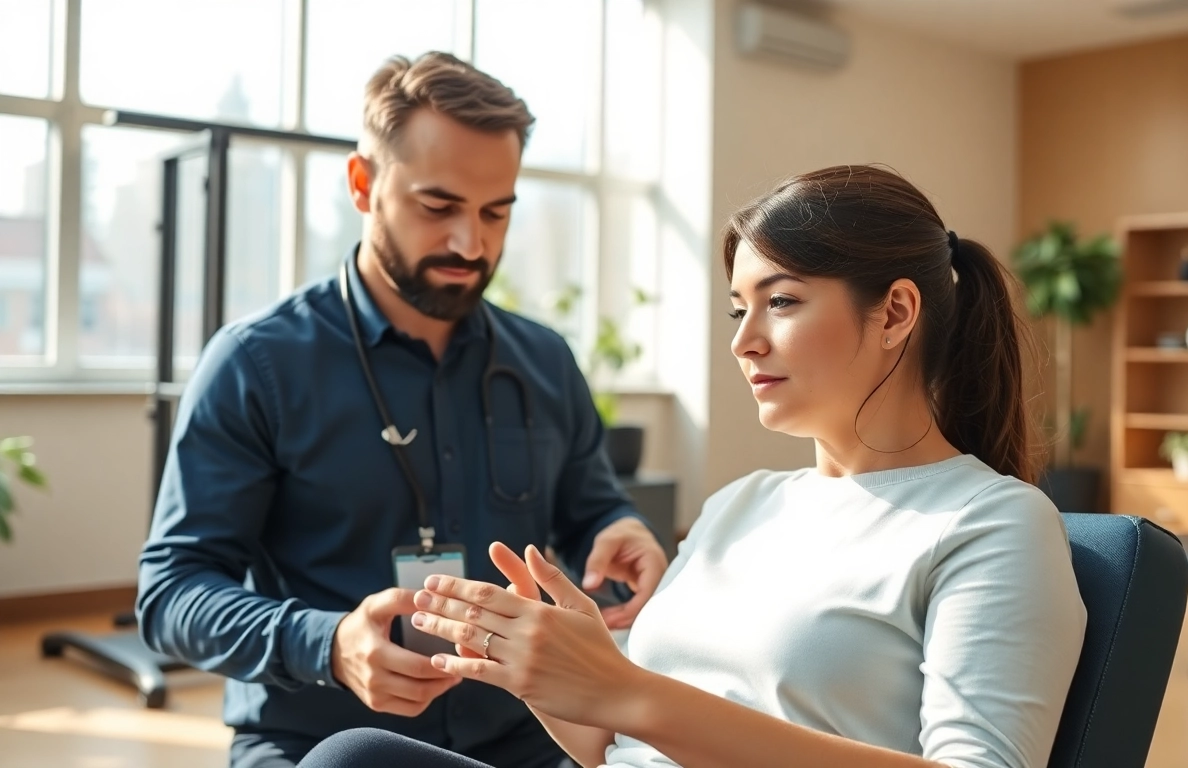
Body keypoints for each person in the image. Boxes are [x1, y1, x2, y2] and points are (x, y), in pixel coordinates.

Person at [296, 164, 1090, 768]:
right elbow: (616, 746)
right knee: (356, 760)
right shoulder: (741, 504)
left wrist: (629, 691)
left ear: (896, 312)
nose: (744, 341)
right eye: (739, 309)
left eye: (781, 302)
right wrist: (549, 672)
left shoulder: (991, 523)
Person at [135, 51, 668, 768]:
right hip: (313, 742)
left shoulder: (544, 360)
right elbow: (172, 594)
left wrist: (619, 528)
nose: (470, 243)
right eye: (438, 207)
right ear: (363, 184)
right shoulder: (257, 364)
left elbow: (591, 508)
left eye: (495, 212)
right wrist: (326, 643)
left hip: (530, 742)